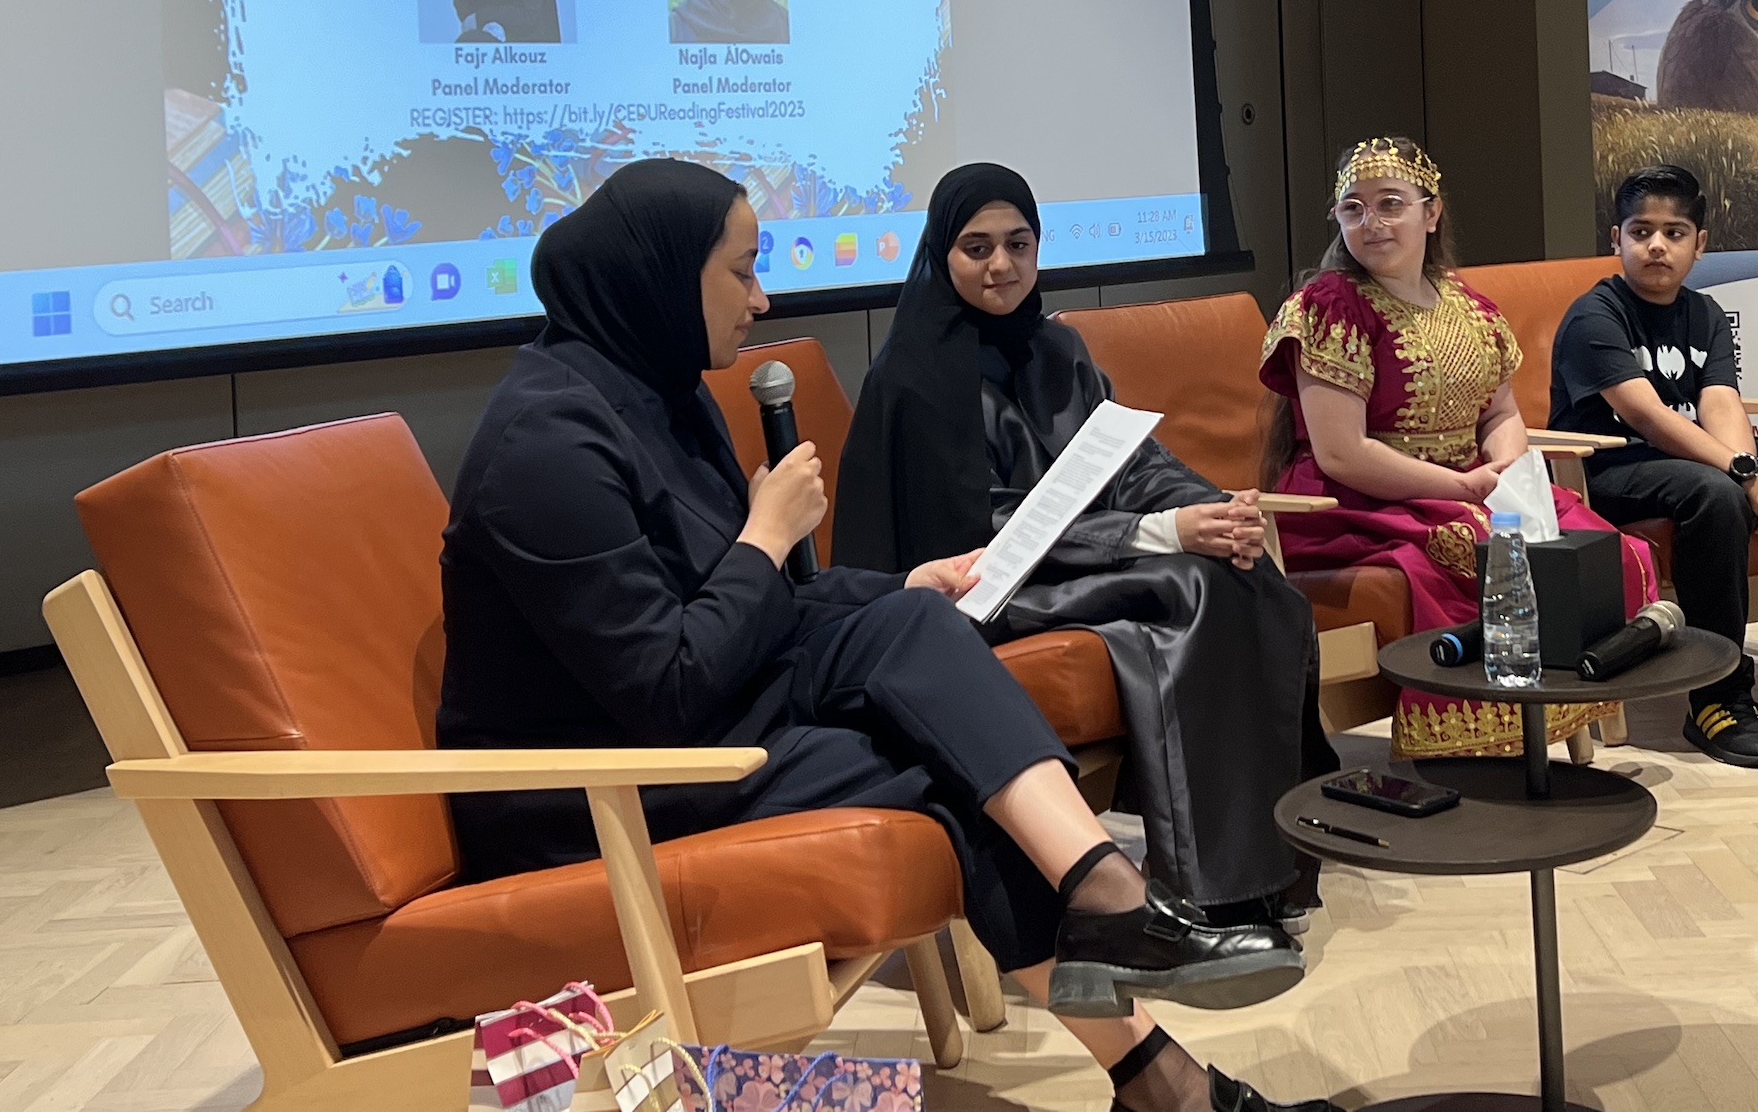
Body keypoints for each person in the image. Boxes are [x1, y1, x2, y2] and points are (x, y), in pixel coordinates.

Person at [437, 159, 1322, 1112]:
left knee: (916, 621)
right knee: (947, 770)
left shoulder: (660, 392)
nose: (761, 298)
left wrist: (902, 582)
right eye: (740, 271)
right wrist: (765, 536)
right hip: (596, 786)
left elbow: (747, 612)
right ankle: (1162, 1066)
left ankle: (1109, 900)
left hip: (712, 716)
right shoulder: (546, 444)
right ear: (659, 276)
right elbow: (667, 685)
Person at [835, 164, 1336, 926]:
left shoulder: (1056, 349)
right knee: (1189, 584)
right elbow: (987, 522)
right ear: (940, 253)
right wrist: (1159, 534)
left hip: (1075, 560)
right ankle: (1203, 887)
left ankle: (1268, 869)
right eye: (977, 247)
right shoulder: (912, 376)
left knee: (1250, 578)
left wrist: (1208, 507)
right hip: (977, 592)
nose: (1001, 265)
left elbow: (1130, 461)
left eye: (1018, 243)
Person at [1259, 136, 1659, 760]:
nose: (1372, 222)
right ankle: (1472, 745)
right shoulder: (1327, 307)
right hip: (1354, 504)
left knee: (1603, 552)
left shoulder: (1470, 307)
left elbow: (1501, 412)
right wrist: (1460, 487)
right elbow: (1341, 454)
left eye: (1390, 203)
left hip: (1469, 486)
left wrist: (1503, 468)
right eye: (1353, 208)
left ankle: (1553, 712)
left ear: (1431, 212)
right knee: (1480, 552)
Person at [1555, 164, 1758, 769]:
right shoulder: (1594, 316)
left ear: (1700, 243)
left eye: (1675, 232)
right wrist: (1748, 480)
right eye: (1641, 232)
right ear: (1616, 238)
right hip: (1610, 467)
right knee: (1716, 495)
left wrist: (1750, 470)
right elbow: (1650, 418)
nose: (1657, 246)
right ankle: (1718, 694)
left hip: (1698, 458)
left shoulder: (1704, 312)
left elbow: (1720, 402)